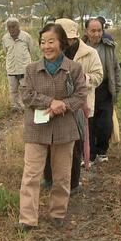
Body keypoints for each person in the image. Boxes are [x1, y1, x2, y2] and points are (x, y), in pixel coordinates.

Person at [18, 23, 87, 231]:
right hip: (36, 128)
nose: (46, 46)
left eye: (51, 41)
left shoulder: (74, 68)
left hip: (65, 128)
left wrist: (63, 105)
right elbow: (26, 95)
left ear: (61, 43)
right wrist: (50, 102)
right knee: (31, 174)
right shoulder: (31, 69)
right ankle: (27, 218)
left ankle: (58, 212)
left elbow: (81, 94)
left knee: (62, 175)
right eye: (42, 42)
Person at [42, 18, 103, 194]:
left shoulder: (89, 53)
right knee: (49, 142)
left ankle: (74, 183)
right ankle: (49, 178)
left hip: (78, 106)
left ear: (73, 38)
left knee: (75, 146)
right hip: (55, 105)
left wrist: (82, 78)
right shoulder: (53, 51)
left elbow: (98, 76)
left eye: (65, 38)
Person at [83, 18, 121, 163]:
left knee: (105, 124)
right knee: (90, 123)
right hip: (88, 89)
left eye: (99, 30)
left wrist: (117, 89)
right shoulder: (82, 47)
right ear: (86, 31)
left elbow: (116, 68)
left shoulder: (108, 46)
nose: (97, 34)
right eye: (93, 31)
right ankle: (90, 154)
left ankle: (102, 150)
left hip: (105, 89)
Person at [2, 17, 34, 111]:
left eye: (14, 26)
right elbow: (5, 51)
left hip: (24, 68)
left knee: (25, 88)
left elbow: (30, 50)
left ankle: (26, 106)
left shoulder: (26, 37)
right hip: (11, 68)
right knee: (13, 90)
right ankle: (15, 106)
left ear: (18, 26)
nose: (12, 29)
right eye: (9, 27)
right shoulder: (5, 38)